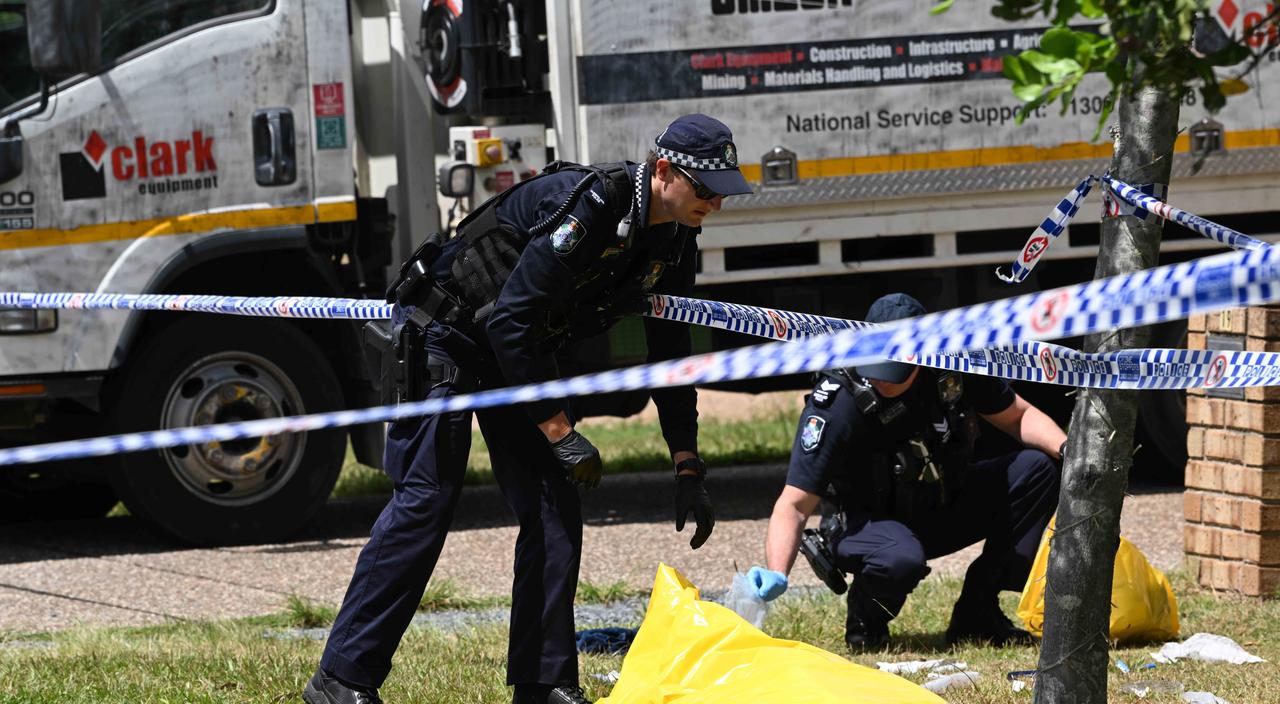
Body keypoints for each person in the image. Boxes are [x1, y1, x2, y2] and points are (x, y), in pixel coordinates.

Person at [303, 114, 753, 704]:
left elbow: (670, 353)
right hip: (447, 333)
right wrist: (560, 430)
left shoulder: (672, 235)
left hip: (513, 353)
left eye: (724, 191)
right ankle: (340, 681)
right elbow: (509, 319)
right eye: (706, 188)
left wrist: (687, 461)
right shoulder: (596, 204)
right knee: (426, 501)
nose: (715, 203)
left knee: (552, 505)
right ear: (665, 170)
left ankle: (542, 684)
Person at [747, 293, 1066, 651]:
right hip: (864, 526)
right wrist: (777, 572)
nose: (883, 381)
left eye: (895, 371)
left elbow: (1018, 416)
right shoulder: (839, 403)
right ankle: (866, 623)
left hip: (937, 503)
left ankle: (978, 611)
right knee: (899, 557)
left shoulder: (952, 365)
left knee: (1037, 469)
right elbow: (793, 504)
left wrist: (1069, 450)